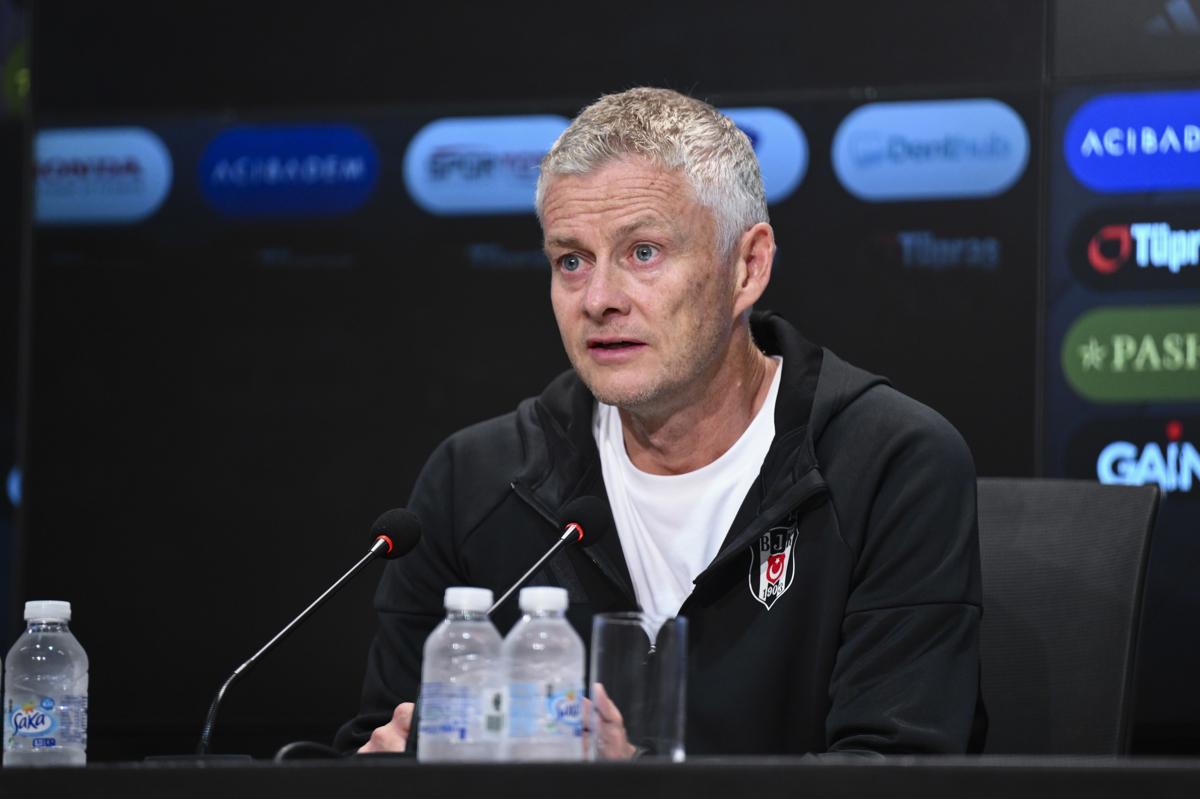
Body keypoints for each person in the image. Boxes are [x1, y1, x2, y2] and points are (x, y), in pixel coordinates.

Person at [336, 87, 983, 756]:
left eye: (643, 252)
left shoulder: (889, 464)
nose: (599, 299)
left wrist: (635, 782)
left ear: (748, 266)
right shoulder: (474, 481)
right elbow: (378, 738)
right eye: (571, 261)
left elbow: (896, 771)